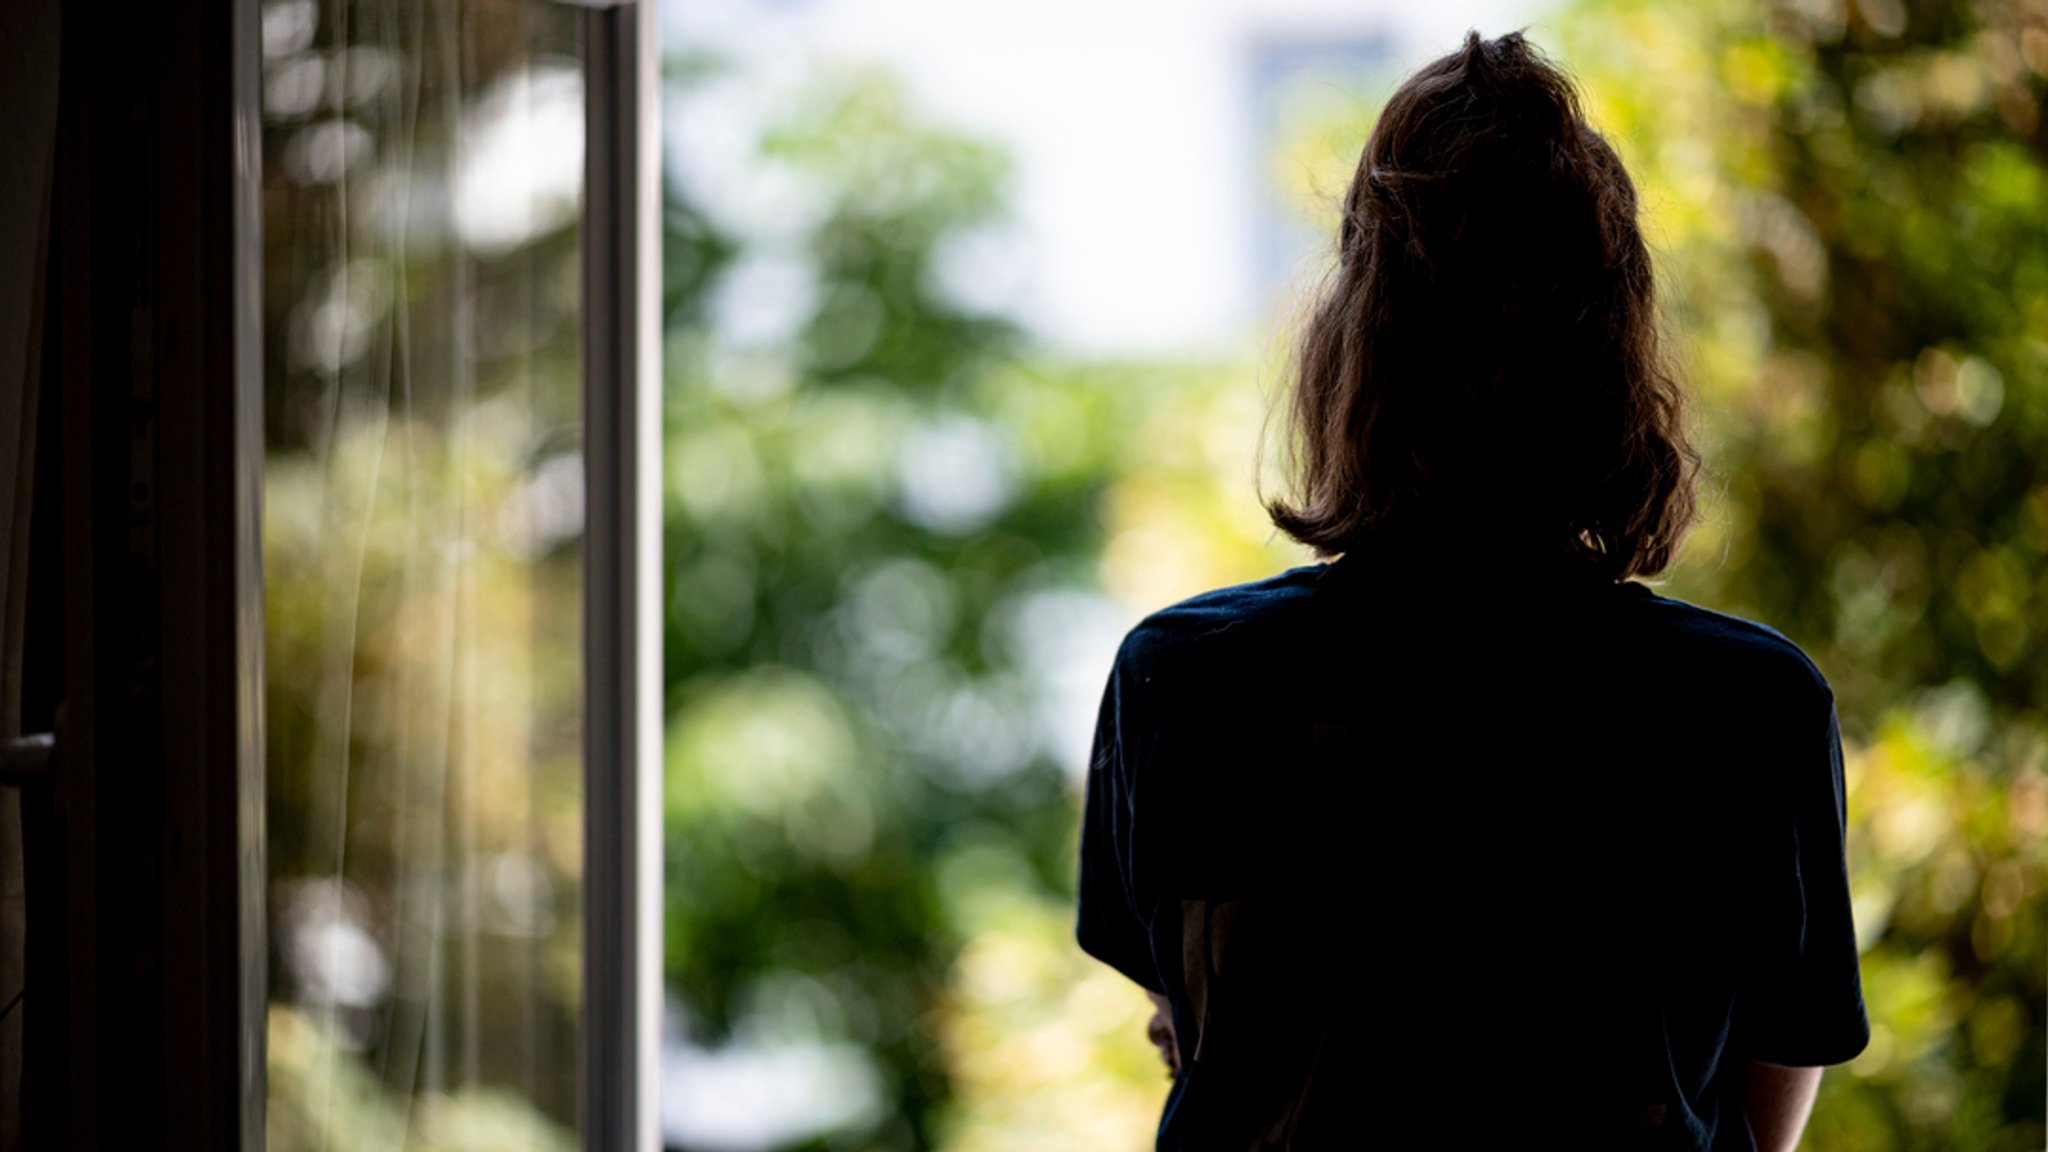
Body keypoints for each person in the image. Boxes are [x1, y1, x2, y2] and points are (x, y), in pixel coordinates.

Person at [1074, 30, 1870, 1152]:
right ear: (1615, 353)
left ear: (1348, 352)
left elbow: (1204, 1032)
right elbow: (1753, 1105)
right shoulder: (1749, 706)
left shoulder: (1186, 680)